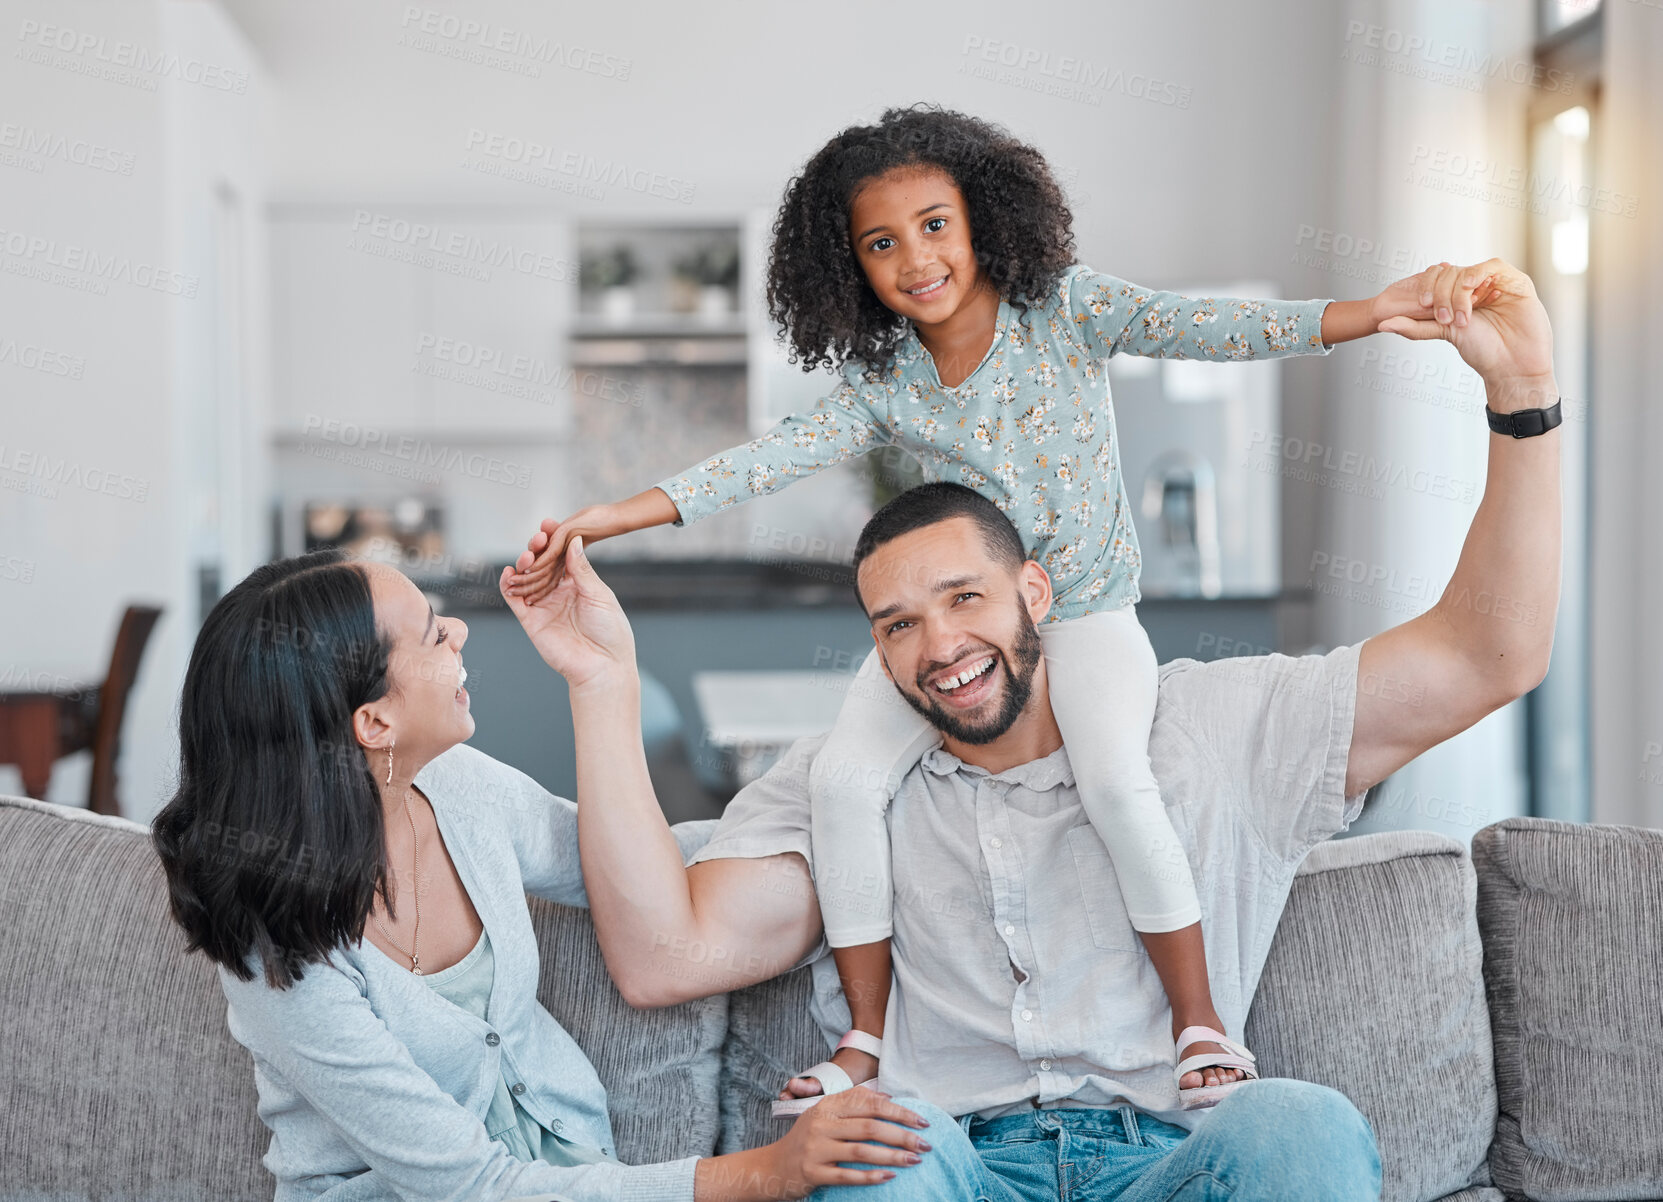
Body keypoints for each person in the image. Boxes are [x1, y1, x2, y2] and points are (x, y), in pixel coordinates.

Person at [501, 256, 1561, 1199]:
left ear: (1037, 590)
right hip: (951, 1158)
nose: (939, 644)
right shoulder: (845, 782)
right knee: (871, 1150)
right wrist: (601, 680)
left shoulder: (1217, 727)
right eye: (898, 622)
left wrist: (1522, 400)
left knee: (1302, 1123)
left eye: (966, 597)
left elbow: (1486, 654)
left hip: (1176, 1151)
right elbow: (661, 956)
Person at [149, 552, 932, 1201]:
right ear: (374, 724)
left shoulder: (460, 788)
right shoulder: (280, 953)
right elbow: (472, 1186)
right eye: (429, 635)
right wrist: (768, 1169)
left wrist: (841, 819)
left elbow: (629, 869)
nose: (457, 629)